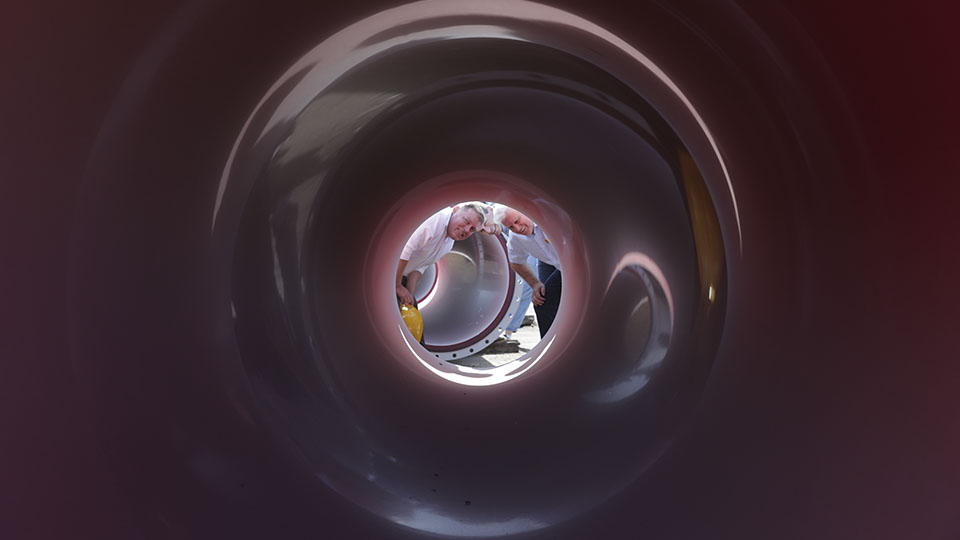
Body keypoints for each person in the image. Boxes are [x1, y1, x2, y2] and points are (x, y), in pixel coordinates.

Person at [396, 202, 489, 308]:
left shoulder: (449, 243)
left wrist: (409, 295)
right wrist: (397, 286)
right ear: (455, 210)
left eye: (472, 229)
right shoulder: (436, 218)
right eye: (466, 221)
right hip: (388, 268)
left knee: (411, 311)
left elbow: (420, 267)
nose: (467, 229)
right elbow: (404, 249)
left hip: (400, 276)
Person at [493, 205, 561, 338]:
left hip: (570, 261)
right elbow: (515, 262)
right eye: (511, 227)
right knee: (542, 301)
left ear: (526, 211)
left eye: (517, 221)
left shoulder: (549, 220)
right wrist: (534, 283)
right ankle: (549, 342)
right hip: (548, 262)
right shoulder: (515, 237)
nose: (517, 228)